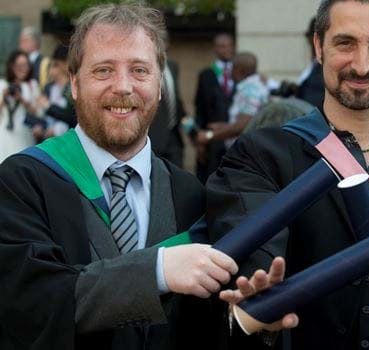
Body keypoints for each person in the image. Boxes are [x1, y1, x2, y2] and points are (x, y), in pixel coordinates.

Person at [0, 4, 295, 349]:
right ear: (75, 84)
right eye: (103, 70)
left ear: (159, 86)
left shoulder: (191, 194)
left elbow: (203, 329)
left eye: (140, 70)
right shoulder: (21, 182)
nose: (123, 87)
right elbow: (27, 306)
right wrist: (156, 271)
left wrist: (252, 320)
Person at [206, 1, 369, 349]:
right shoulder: (260, 157)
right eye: (345, 43)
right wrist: (260, 293)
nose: (362, 65)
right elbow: (255, 254)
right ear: (318, 46)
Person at [199, 52, 269, 149]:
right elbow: (246, 120)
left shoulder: (251, 91)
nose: (228, 71)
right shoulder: (249, 87)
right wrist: (224, 126)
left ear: (239, 70)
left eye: (231, 67)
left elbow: (241, 126)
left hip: (247, 153)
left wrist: (209, 135)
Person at [194, 33, 235, 182]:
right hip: (212, 137)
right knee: (212, 177)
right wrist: (199, 139)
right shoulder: (206, 75)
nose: (226, 50)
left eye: (229, 46)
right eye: (222, 46)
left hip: (234, 135)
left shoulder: (239, 72)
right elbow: (199, 107)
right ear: (216, 49)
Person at [0, 50, 41, 161]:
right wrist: (4, 97)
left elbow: (37, 112)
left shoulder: (32, 85)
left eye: (26, 65)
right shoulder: (3, 84)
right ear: (12, 66)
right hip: (4, 133)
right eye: (19, 65)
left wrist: (22, 99)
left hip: (24, 133)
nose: (23, 68)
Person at [35, 45, 76, 141]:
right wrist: (40, 127)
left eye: (55, 65)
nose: (51, 70)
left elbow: (72, 117)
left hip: (68, 139)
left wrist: (49, 107)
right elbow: (43, 115)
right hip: (47, 140)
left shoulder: (73, 87)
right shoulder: (48, 88)